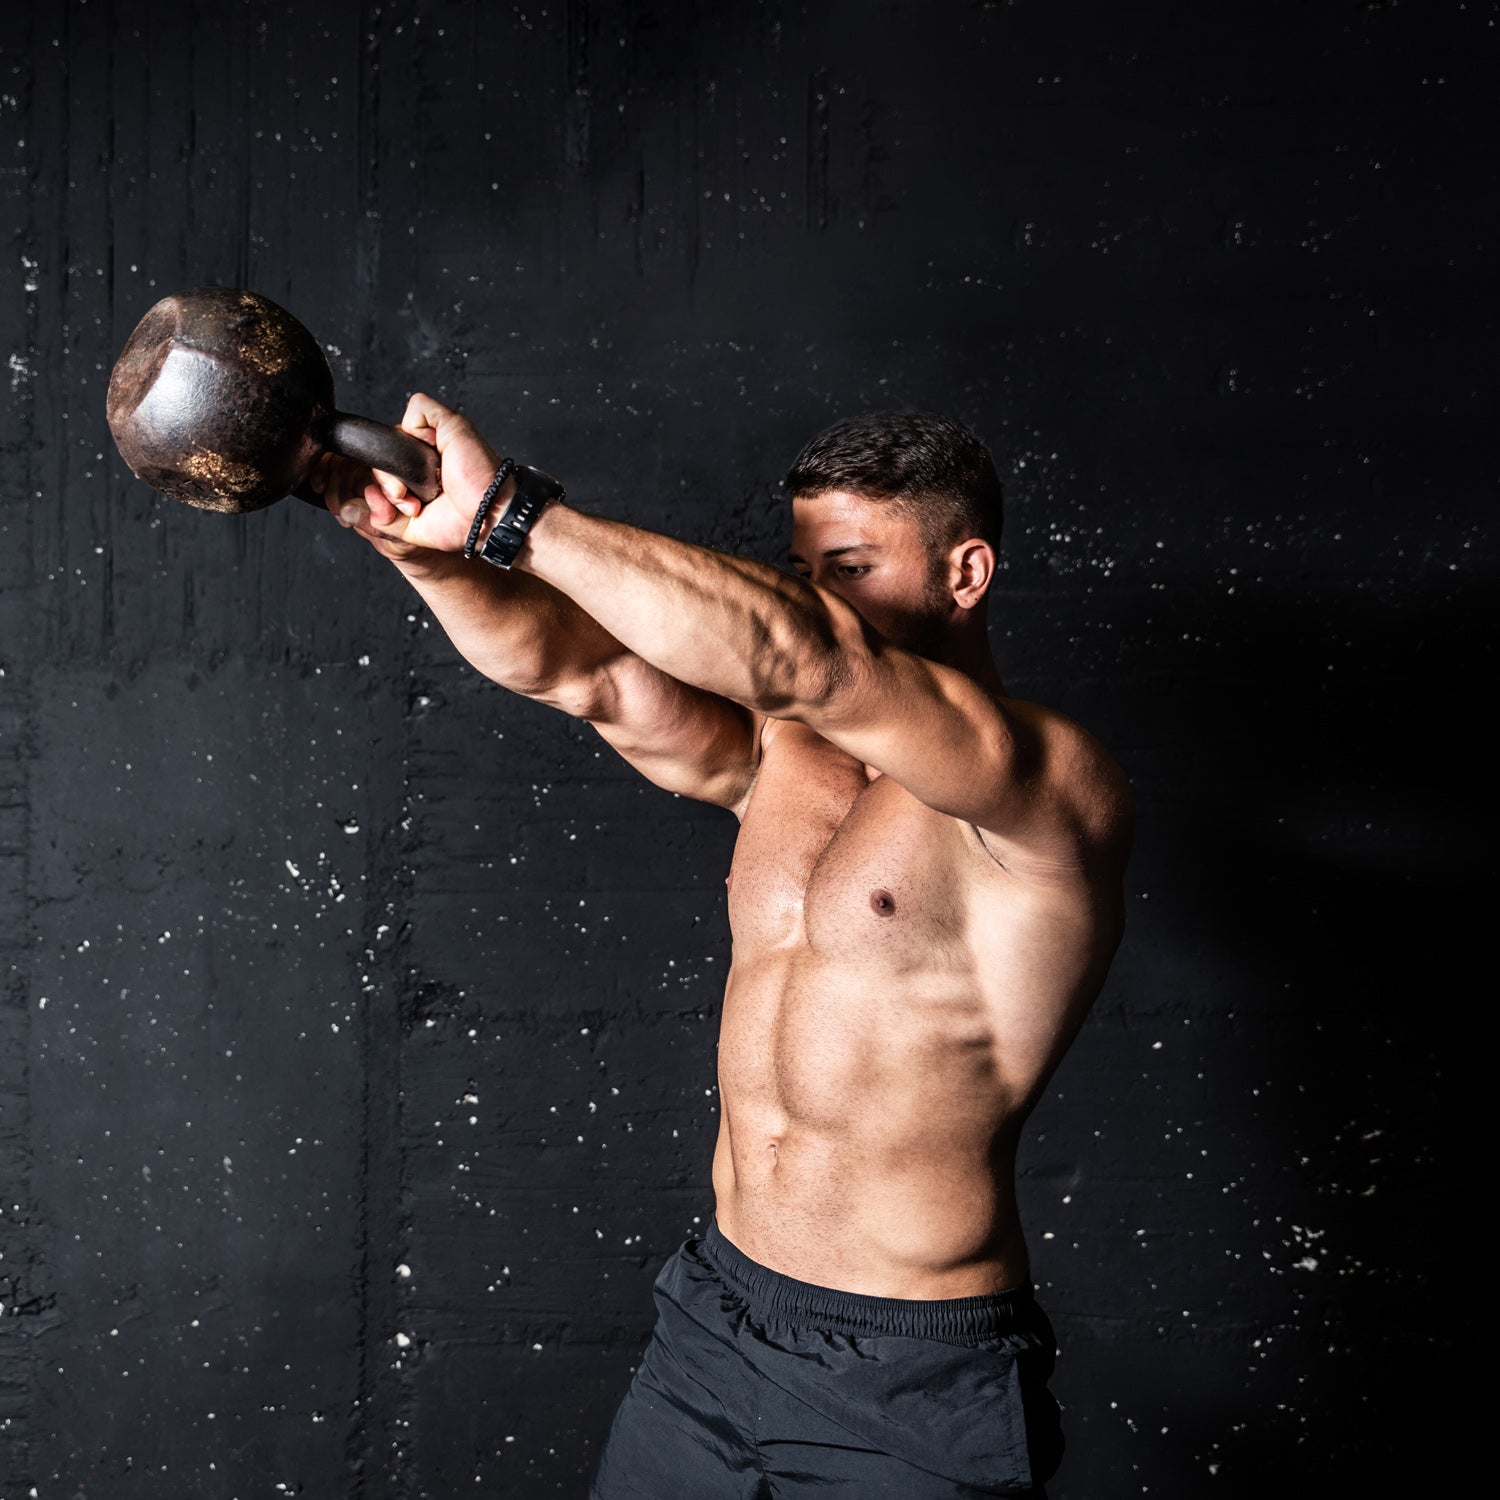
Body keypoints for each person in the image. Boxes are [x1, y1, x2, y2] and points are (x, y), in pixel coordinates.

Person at [316, 398, 1133, 1499]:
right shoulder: (784, 755)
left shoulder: (1043, 790)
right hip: (716, 1321)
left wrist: (510, 514)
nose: (809, 593)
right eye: (798, 567)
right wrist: (423, 546)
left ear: (966, 574)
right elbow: (577, 673)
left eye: (847, 566)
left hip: (909, 1370)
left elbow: (810, 661)